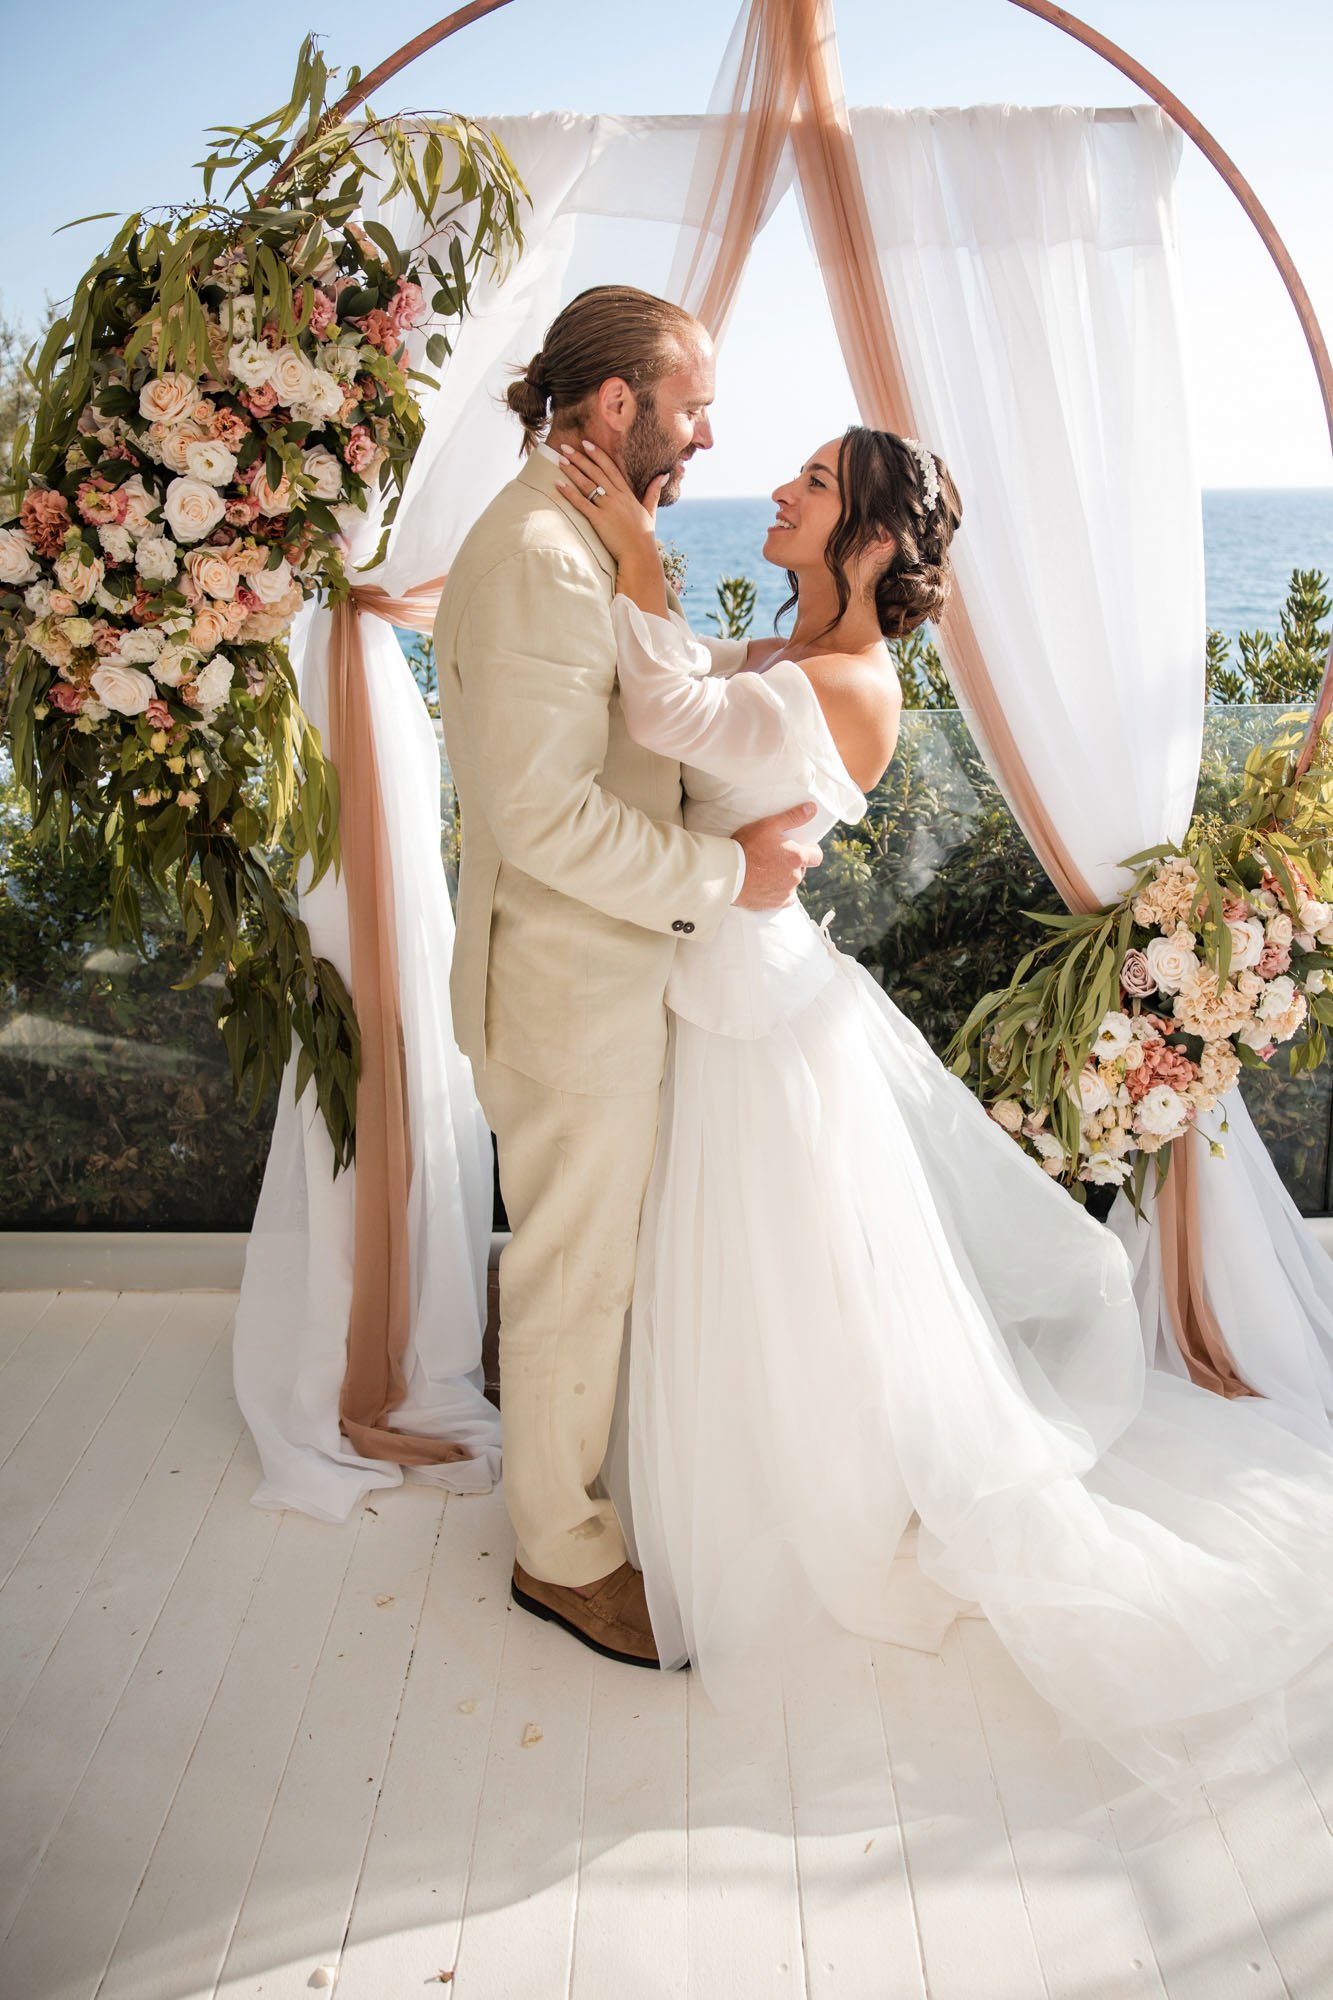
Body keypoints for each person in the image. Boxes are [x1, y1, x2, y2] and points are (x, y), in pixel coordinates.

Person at [552, 423, 1333, 1798]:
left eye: (808, 484)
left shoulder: (851, 680)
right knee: (732, 1258)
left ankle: (794, 1498)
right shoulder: (786, 657)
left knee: (778, 1267)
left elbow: (660, 715)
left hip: (756, 1002)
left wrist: (633, 553)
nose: (779, 494)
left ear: (862, 539)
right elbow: (690, 694)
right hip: (717, 975)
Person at [432, 286, 823, 1670]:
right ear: (616, 406)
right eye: (692, 403)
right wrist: (727, 880)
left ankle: (556, 1456)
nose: (706, 431)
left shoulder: (578, 537)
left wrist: (743, 663)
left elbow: (612, 687)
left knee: (579, 1259)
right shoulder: (543, 551)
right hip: (565, 991)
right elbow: (540, 816)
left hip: (595, 980)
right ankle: (562, 1554)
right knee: (573, 1275)